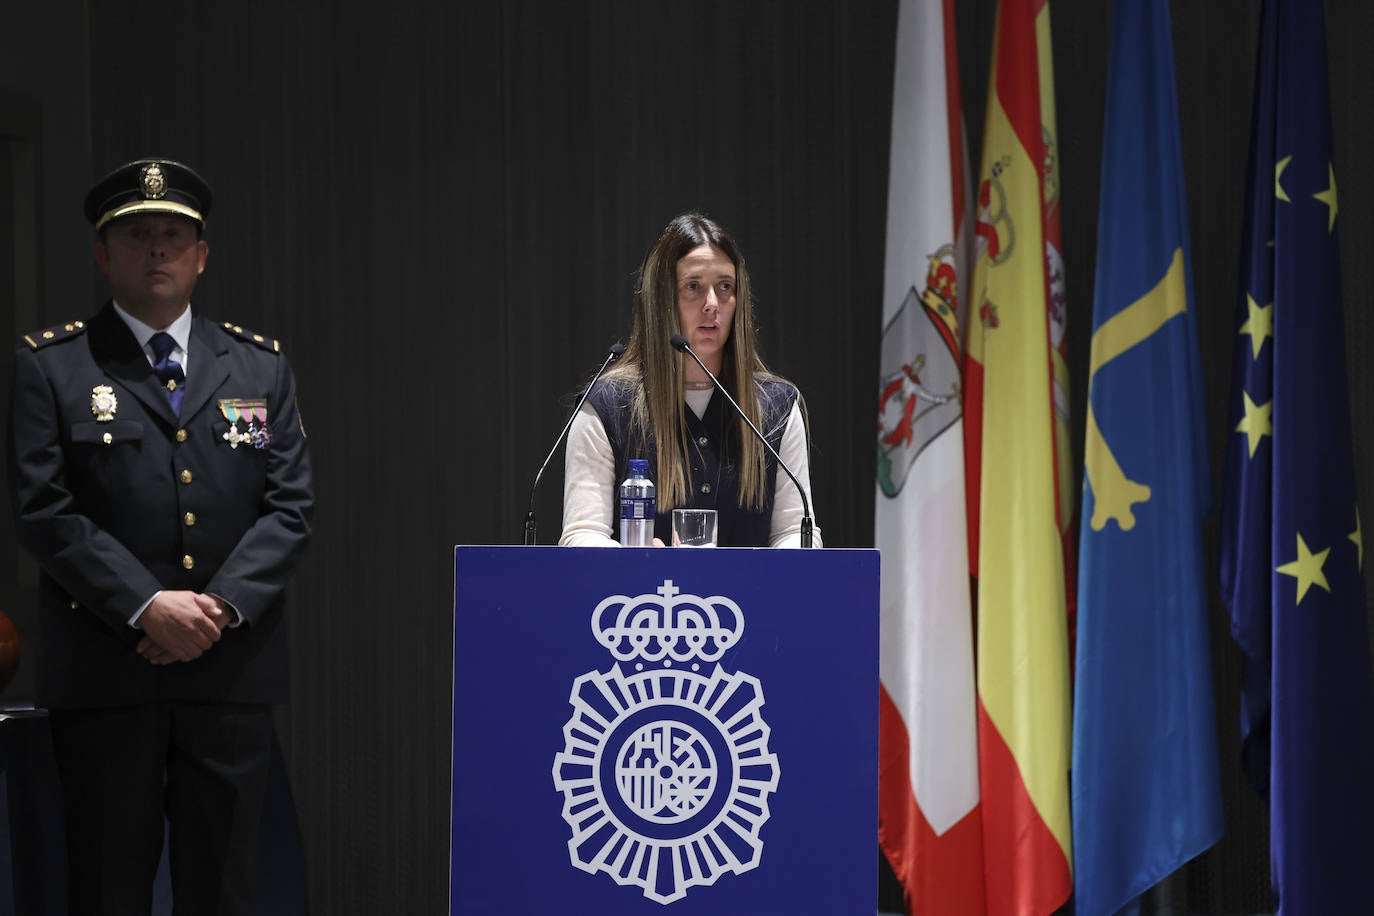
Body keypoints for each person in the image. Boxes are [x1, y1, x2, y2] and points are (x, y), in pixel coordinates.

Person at [6, 158, 314, 914]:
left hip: (228, 670)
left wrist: (216, 612)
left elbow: (290, 507)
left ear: (201, 255)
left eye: (173, 236)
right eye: (136, 236)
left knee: (224, 889)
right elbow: (44, 509)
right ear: (101, 254)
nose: (157, 251)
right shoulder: (52, 365)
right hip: (109, 673)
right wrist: (149, 606)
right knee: (107, 887)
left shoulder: (257, 365)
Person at [560, 212, 820, 548]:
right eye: (693, 287)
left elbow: (795, 534)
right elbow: (582, 535)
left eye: (725, 286)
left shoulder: (776, 407)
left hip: (750, 600)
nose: (712, 303)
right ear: (660, 300)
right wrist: (640, 564)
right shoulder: (608, 405)